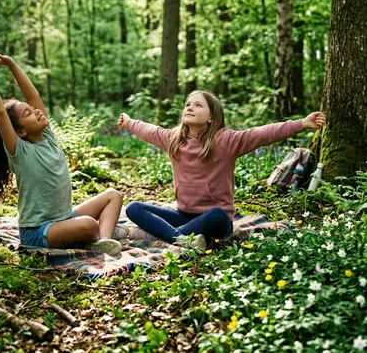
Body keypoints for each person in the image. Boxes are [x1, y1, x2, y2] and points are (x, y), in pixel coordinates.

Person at [118, 90, 326, 251]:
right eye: (188, 104)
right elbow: (148, 129)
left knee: (217, 215)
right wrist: (128, 122)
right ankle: (180, 238)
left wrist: (301, 123)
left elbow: (263, 133)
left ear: (211, 116)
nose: (190, 107)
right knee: (134, 208)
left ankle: (163, 236)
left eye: (198, 105)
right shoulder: (174, 139)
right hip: (185, 216)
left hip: (215, 220)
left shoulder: (227, 140)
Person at [0, 51, 125, 256]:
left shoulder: (48, 138)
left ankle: (104, 240)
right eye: (28, 113)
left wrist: (12, 64)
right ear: (20, 132)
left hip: (64, 219)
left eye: (33, 109)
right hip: (38, 232)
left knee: (113, 195)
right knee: (89, 225)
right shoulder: (20, 151)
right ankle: (97, 235)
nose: (36, 111)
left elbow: (33, 96)